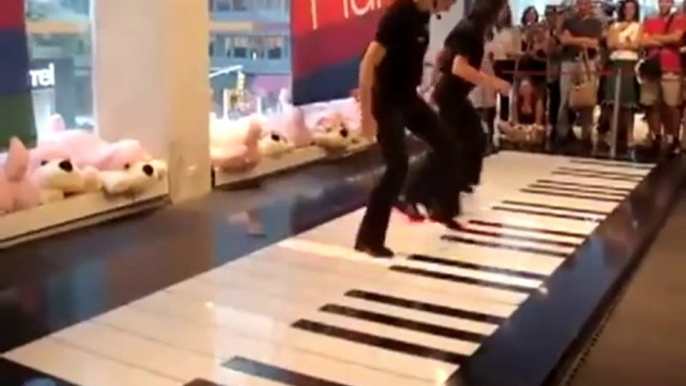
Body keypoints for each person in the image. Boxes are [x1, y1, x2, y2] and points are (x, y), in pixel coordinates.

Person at [354, 0, 461, 258]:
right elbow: (368, 63)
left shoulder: (423, 17)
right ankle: (368, 238)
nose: (451, 7)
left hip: (408, 97)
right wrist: (366, 113)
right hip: (386, 99)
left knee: (448, 146)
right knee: (397, 164)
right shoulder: (399, 14)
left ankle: (433, 203)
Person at [402, 0, 511, 225]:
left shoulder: (471, 29)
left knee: (473, 140)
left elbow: (444, 55)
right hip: (450, 96)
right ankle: (415, 195)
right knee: (448, 148)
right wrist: (493, 83)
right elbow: (458, 68)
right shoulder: (468, 30)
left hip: (454, 96)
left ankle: (453, 190)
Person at [556, 0, 603, 152]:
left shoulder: (596, 23)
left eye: (585, 3)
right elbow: (564, 40)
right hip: (569, 61)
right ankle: (562, 132)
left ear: (590, 5)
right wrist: (583, 40)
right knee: (565, 98)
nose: (582, 6)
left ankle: (587, 133)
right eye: (580, 3)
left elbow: (594, 43)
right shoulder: (569, 21)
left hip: (588, 62)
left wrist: (574, 40)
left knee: (587, 98)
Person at [640, 0, 686, 154]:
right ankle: (655, 135)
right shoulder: (650, 20)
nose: (663, 5)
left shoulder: (680, 19)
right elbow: (642, 41)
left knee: (671, 105)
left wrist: (654, 38)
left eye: (666, 2)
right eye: (661, 2)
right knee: (650, 103)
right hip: (652, 67)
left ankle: (673, 137)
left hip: (671, 67)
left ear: (671, 3)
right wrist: (665, 39)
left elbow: (677, 38)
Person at [600, 0, 641, 155]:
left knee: (628, 103)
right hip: (615, 62)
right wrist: (624, 41)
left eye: (632, 8)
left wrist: (623, 43)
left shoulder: (639, 25)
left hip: (630, 63)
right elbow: (610, 44)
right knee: (611, 101)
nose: (629, 11)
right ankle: (613, 132)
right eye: (626, 8)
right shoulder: (614, 26)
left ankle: (630, 135)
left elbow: (637, 44)